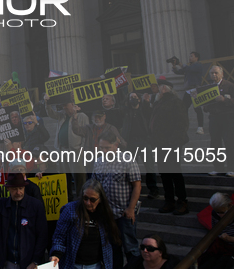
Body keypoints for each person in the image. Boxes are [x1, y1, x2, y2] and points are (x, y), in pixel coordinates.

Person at [0, 173, 49, 269]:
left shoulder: (36, 205)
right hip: (8, 262)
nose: (18, 192)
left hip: (29, 263)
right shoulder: (2, 204)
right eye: (15, 189)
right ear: (9, 189)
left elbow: (42, 235)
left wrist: (36, 261)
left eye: (21, 188)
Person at [92, 132, 142, 267]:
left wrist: (130, 209)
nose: (104, 151)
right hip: (107, 213)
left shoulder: (127, 160)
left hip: (124, 212)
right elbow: (95, 185)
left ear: (116, 145)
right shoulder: (98, 161)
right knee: (113, 247)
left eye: (107, 148)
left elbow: (137, 185)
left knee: (130, 246)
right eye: (101, 147)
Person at [49, 179, 121, 269]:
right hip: (73, 264)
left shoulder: (104, 213)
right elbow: (59, 236)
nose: (88, 203)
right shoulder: (70, 210)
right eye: (85, 198)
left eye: (92, 200)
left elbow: (110, 240)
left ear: (100, 199)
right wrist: (56, 253)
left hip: (95, 265)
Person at [150, 79, 190, 215]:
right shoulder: (158, 103)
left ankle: (182, 201)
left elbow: (182, 123)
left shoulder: (175, 102)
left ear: (167, 88)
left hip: (171, 144)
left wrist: (173, 141)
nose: (159, 89)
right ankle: (169, 200)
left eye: (162, 87)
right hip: (160, 143)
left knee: (175, 173)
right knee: (164, 174)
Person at [44, 92, 89, 200]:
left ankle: (80, 200)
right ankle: (67, 198)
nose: (63, 107)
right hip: (62, 150)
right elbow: (51, 113)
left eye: (66, 105)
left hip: (75, 150)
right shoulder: (62, 115)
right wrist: (47, 102)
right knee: (64, 176)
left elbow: (86, 133)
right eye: (63, 105)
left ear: (73, 105)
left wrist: (82, 148)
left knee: (79, 177)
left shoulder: (82, 116)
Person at [204, 65, 234, 176]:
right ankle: (218, 168)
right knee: (215, 144)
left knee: (229, 143)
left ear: (222, 74)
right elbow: (205, 105)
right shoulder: (208, 87)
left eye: (216, 73)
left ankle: (232, 168)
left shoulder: (229, 85)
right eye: (212, 73)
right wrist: (205, 107)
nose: (214, 75)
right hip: (214, 118)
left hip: (227, 117)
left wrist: (225, 100)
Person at [122, 93, 158, 199]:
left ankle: (153, 189)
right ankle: (133, 189)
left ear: (139, 99)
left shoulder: (144, 110)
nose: (133, 99)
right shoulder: (127, 112)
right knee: (132, 169)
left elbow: (150, 113)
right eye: (131, 97)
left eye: (135, 97)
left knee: (149, 167)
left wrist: (146, 102)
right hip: (131, 143)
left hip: (144, 142)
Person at [172, 51, 206, 134]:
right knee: (184, 108)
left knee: (197, 109)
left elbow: (189, 69)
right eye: (190, 56)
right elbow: (178, 72)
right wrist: (174, 65)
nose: (190, 58)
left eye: (191, 56)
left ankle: (200, 127)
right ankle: (185, 126)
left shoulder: (198, 65)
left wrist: (179, 63)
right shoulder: (189, 67)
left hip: (194, 90)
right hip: (188, 91)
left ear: (196, 58)